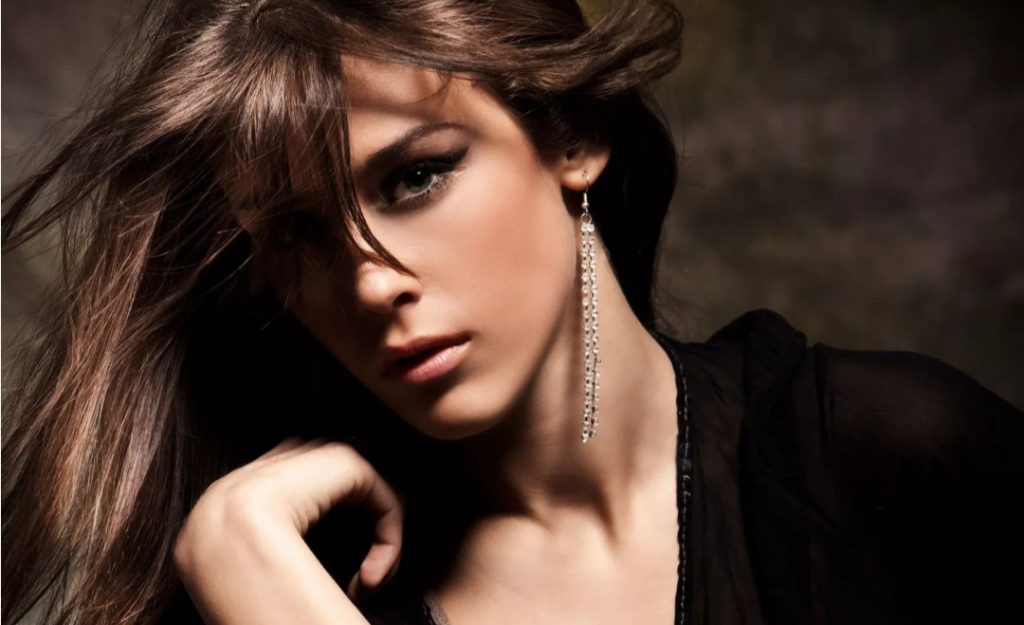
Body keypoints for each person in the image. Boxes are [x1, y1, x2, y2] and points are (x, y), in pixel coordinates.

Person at [2, 1, 1021, 624]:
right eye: (299, 232)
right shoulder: (281, 581)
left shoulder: (883, 454)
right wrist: (243, 559)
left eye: (415, 177)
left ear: (570, 135)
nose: (371, 283)